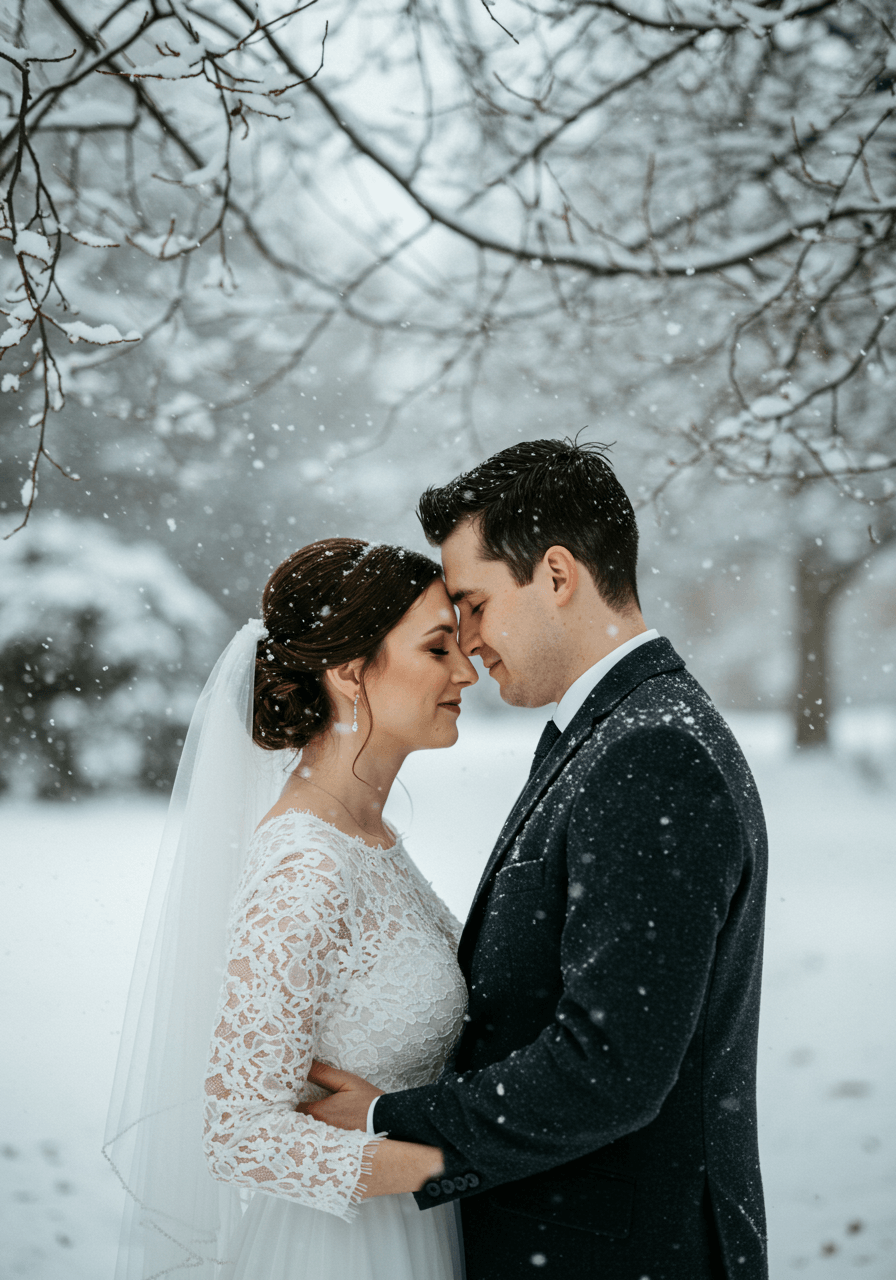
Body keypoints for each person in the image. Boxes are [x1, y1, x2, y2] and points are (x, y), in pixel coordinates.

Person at [301, 439, 770, 1279]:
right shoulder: (613, 733)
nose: (468, 641)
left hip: (619, 1254)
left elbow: (610, 1068)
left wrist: (391, 1123)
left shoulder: (649, 750)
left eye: (474, 604)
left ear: (556, 575)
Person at [104, 538, 477, 1280]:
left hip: (419, 1234)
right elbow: (241, 1133)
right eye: (439, 648)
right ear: (348, 672)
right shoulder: (305, 865)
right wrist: (444, 1164)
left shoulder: (369, 838)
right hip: (346, 1251)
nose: (467, 670)